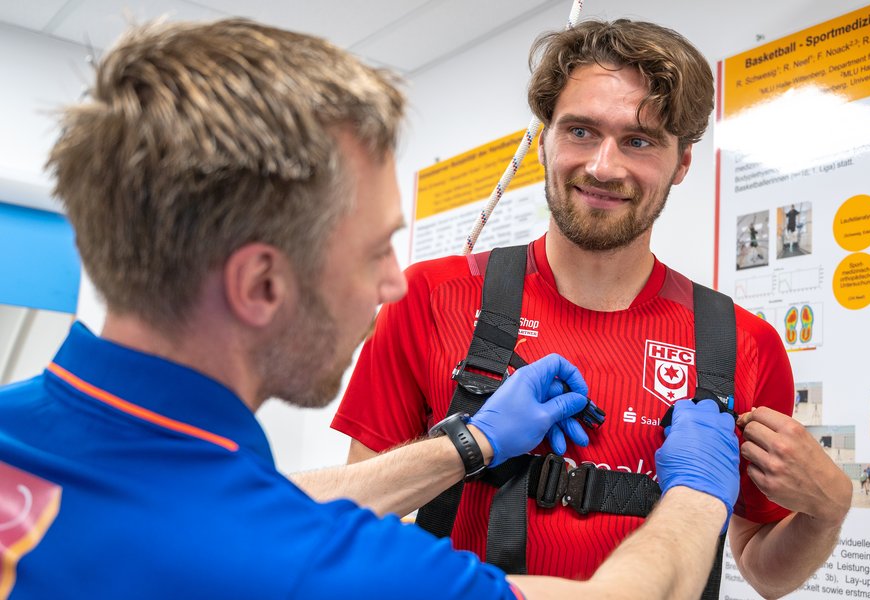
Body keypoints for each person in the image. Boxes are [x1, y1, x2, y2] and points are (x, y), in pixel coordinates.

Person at [0, 18, 742, 600]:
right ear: (261, 285)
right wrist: (698, 497)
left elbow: (241, 498)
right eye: (375, 251)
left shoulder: (32, 439)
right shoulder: (325, 572)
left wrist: (470, 444)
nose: (395, 282)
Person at [333, 18, 852, 599]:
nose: (604, 167)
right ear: (544, 140)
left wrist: (824, 514)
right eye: (580, 130)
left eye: (640, 140)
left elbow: (763, 569)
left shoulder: (742, 343)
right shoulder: (432, 297)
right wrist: (464, 445)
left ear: (682, 163)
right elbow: (355, 516)